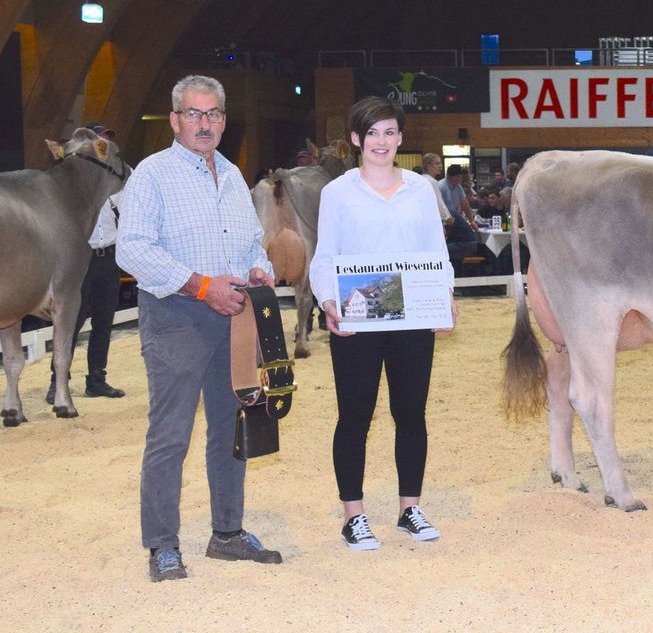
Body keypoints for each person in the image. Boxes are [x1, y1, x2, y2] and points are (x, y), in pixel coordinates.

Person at [116, 74, 283, 582]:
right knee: (171, 435)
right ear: (175, 120)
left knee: (231, 428)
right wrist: (201, 286)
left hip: (234, 319)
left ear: (224, 121)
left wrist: (259, 270)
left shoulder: (232, 176)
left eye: (213, 114)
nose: (204, 123)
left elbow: (250, 243)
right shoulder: (152, 174)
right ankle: (162, 545)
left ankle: (227, 533)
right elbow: (132, 249)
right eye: (194, 113)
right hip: (177, 319)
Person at [310, 96, 455, 551]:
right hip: (358, 316)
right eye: (372, 133)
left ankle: (410, 508)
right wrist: (328, 301)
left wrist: (445, 295)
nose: (381, 141)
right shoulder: (337, 193)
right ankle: (353, 515)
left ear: (400, 138)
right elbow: (325, 256)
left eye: (389, 132)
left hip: (413, 315)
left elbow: (435, 250)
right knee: (355, 416)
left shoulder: (421, 189)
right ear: (356, 139)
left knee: (410, 413)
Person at [46, 123, 127, 405]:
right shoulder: (73, 184)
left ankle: (96, 379)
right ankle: (58, 380)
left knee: (104, 322)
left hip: (109, 257)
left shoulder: (117, 181)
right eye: (100, 141)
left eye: (106, 142)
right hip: (80, 259)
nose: (104, 147)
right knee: (71, 321)